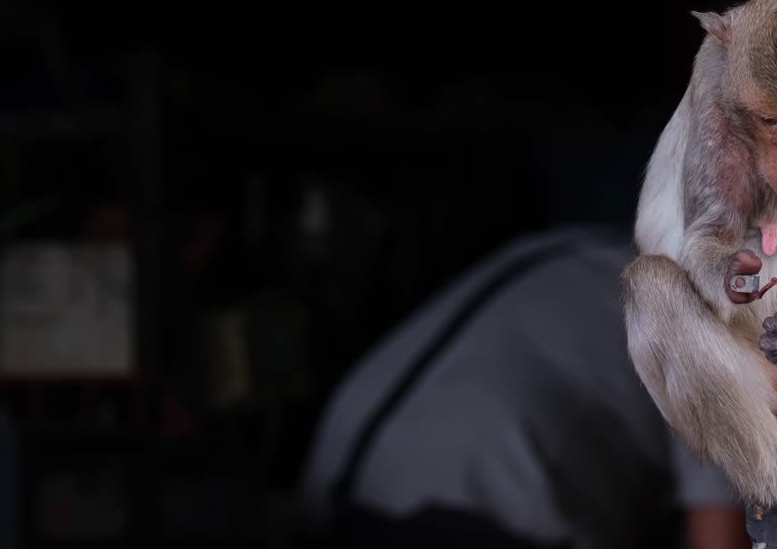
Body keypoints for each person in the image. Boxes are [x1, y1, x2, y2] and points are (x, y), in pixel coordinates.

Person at [299, 225, 749, 549]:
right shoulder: (713, 301)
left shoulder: (566, 247)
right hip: (483, 506)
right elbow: (719, 523)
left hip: (340, 470)